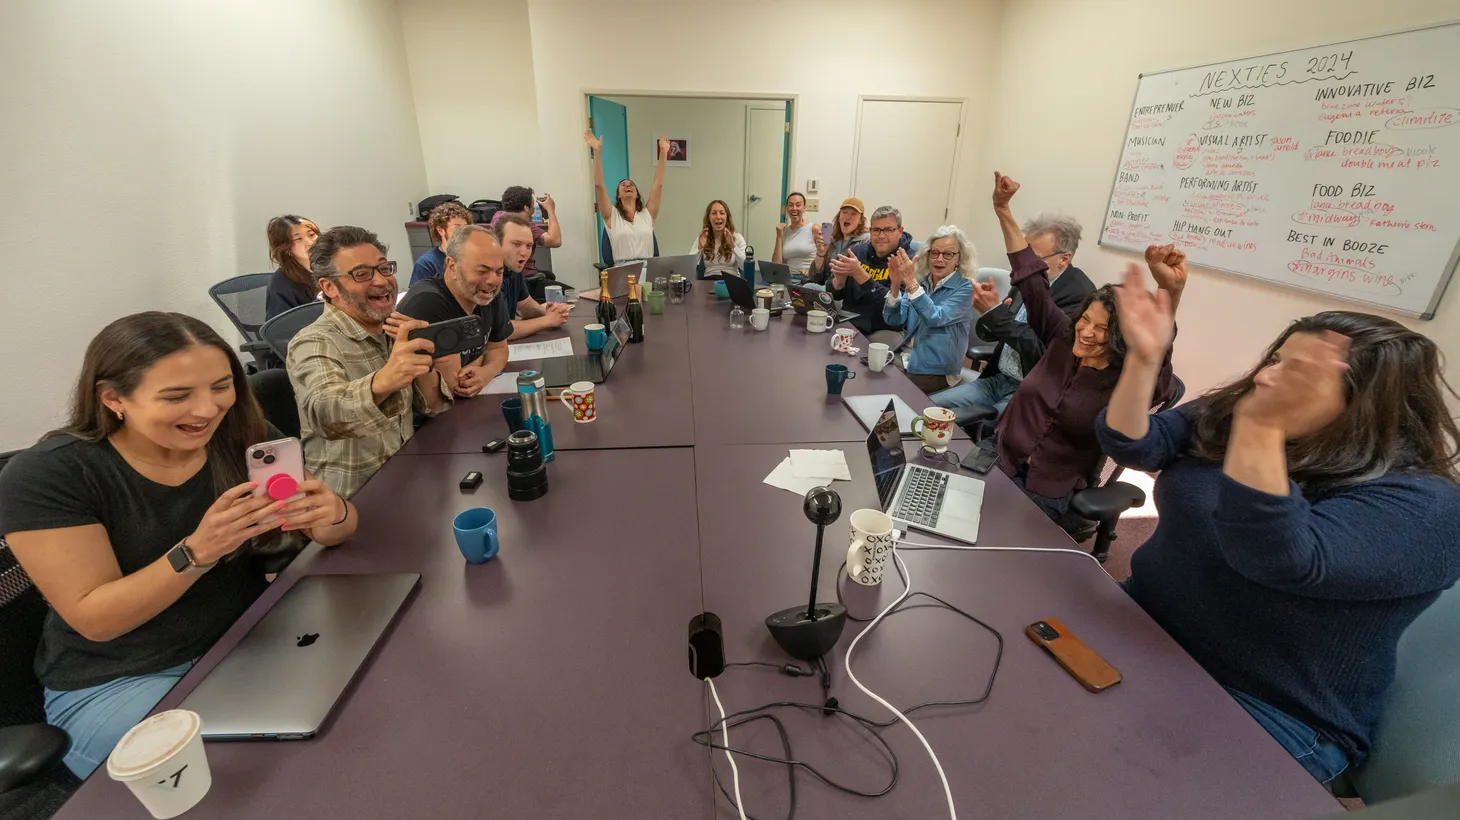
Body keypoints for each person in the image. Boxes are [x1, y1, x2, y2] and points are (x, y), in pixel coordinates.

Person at [1099, 281, 1460, 786]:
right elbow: (1135, 445)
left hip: (1270, 707)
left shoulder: (1426, 505)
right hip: (1146, 624)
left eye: (1297, 373)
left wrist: (1260, 432)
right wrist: (1143, 359)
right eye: (1278, 359)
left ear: (1370, 404)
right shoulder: (1239, 412)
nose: (1267, 377)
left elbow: (1277, 558)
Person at [0, 312, 357, 778]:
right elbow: (97, 619)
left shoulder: (242, 439)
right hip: (119, 678)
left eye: (220, 387)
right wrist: (196, 553)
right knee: (254, 777)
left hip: (241, 643)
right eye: (177, 396)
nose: (207, 410)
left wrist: (332, 514)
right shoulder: (50, 476)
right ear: (113, 399)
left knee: (352, 715)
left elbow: (338, 528)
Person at [988, 172, 1181, 529]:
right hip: (997, 459)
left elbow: (1157, 353)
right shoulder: (1062, 335)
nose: (1087, 333)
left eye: (1102, 329)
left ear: (1123, 339)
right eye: (1085, 320)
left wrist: (1171, 294)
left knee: (997, 555)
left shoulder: (1129, 381)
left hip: (1047, 491)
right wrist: (1003, 209)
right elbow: (1030, 275)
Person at [288, 226, 454, 499]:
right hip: (352, 499)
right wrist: (384, 380)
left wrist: (422, 356)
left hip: (409, 480)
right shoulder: (313, 343)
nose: (381, 281)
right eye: (362, 274)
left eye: (385, 269)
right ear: (330, 288)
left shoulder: (392, 331)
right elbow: (324, 412)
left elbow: (436, 407)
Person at [932, 213, 1095, 414]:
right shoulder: (1028, 277)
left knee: (994, 432)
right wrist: (988, 312)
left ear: (1063, 259)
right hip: (997, 379)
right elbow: (999, 329)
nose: (1023, 264)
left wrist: (996, 314)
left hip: (1032, 390)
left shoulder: (1081, 297)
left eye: (1032, 258)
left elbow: (1044, 352)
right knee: (927, 406)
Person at [881, 227, 976, 395]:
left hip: (937, 369)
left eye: (948, 254)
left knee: (887, 390)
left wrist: (910, 282)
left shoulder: (966, 288)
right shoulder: (921, 282)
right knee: (868, 372)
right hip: (906, 358)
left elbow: (935, 317)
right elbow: (894, 319)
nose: (939, 259)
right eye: (935, 253)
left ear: (959, 258)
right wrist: (895, 285)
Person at [827, 205, 916, 343]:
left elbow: (898, 309)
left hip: (884, 328)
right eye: (876, 230)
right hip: (850, 322)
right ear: (870, 230)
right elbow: (833, 294)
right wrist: (838, 282)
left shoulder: (908, 260)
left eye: (888, 230)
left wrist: (861, 275)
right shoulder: (857, 252)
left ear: (900, 231)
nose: (881, 236)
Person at [586, 130, 669, 262]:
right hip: (622, 270)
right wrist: (597, 151)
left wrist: (663, 153)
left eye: (631, 184)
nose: (627, 186)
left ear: (637, 194)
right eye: (623, 185)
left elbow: (658, 184)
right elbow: (599, 185)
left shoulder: (647, 214)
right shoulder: (611, 215)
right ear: (618, 195)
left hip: (647, 270)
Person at [489, 214, 571, 340]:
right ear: (497, 243)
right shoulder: (490, 277)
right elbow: (503, 330)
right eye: (516, 244)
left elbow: (524, 305)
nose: (524, 252)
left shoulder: (513, 267)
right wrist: (547, 320)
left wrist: (547, 312)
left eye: (528, 246)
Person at [488, 185, 562, 278]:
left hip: (504, 273)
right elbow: (555, 241)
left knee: (549, 275)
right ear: (526, 207)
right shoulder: (522, 225)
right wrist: (550, 210)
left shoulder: (498, 216)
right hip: (523, 275)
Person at [264, 215, 321, 319]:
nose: (310, 243)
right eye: (298, 238)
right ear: (286, 248)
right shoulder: (280, 282)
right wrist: (317, 304)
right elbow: (280, 329)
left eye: (312, 235)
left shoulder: (333, 265)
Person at [409, 202, 474, 287]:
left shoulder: (473, 257)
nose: (463, 232)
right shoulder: (426, 264)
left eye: (465, 228)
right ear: (440, 230)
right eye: (457, 228)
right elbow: (418, 297)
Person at [806, 198, 868, 283]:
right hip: (827, 290)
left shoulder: (865, 241)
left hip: (846, 292)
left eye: (853, 214)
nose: (848, 217)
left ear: (860, 220)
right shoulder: (832, 240)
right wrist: (820, 254)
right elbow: (814, 278)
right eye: (844, 212)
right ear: (839, 217)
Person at [691, 200, 747, 279]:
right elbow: (689, 266)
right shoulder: (703, 238)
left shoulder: (737, 237)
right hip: (709, 281)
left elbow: (746, 267)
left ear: (727, 217)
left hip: (732, 281)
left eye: (722, 213)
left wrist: (733, 246)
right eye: (714, 213)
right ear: (708, 218)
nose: (718, 217)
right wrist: (699, 248)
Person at [772, 192, 816, 274]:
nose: (794, 208)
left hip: (807, 278)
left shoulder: (814, 228)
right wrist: (779, 236)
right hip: (787, 278)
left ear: (804, 208)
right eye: (791, 205)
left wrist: (811, 271)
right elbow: (776, 265)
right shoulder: (785, 232)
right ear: (787, 208)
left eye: (798, 205)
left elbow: (824, 256)